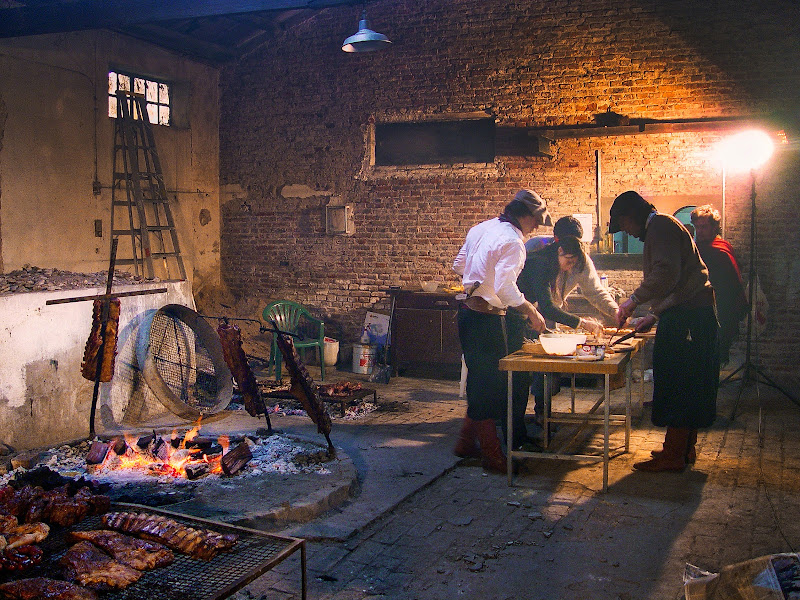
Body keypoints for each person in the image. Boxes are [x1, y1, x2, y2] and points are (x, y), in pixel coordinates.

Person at [610, 191, 719, 472]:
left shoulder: (660, 226)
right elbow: (678, 282)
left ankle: (674, 455)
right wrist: (654, 315)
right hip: (688, 314)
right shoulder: (662, 225)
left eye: (624, 225)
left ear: (630, 216)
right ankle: (683, 449)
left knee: (679, 380)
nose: (626, 232)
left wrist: (633, 301)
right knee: (687, 381)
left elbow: (666, 274)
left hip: (690, 318)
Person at [452, 189, 549, 473]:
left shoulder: (481, 227)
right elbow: (507, 290)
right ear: (526, 216)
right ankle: (492, 456)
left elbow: (458, 265)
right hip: (488, 320)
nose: (536, 227)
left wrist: (478, 281)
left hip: (467, 314)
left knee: (480, 383)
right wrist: (531, 310)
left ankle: (465, 443)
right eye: (536, 221)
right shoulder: (513, 242)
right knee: (488, 387)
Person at [515, 235, 605, 441]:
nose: (569, 267)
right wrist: (582, 323)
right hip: (514, 316)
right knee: (519, 376)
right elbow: (547, 307)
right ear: (560, 251)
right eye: (569, 261)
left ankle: (534, 421)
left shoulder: (548, 263)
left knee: (541, 369)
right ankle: (517, 433)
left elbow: (544, 304)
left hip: (524, 314)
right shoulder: (540, 264)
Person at [525, 216, 619, 323]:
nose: (571, 265)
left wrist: (614, 311)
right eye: (569, 260)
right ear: (557, 240)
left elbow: (595, 291)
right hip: (527, 313)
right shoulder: (535, 249)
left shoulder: (580, 259)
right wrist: (581, 323)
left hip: (554, 316)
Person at [690, 205, 748, 366]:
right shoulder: (696, 248)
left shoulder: (721, 249)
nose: (699, 231)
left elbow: (733, 283)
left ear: (714, 227)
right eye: (697, 227)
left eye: (704, 227)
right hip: (700, 306)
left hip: (721, 307)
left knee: (715, 353)